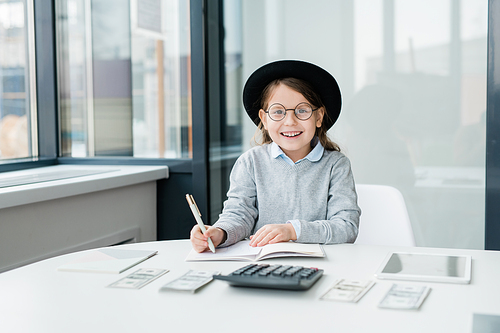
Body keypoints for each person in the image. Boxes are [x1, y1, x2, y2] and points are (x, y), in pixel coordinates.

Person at [190, 60, 360, 253]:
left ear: (319, 117)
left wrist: (292, 231)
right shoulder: (250, 162)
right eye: (278, 112)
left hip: (321, 263)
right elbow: (239, 215)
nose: (290, 121)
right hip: (262, 261)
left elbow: (347, 227)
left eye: (302, 111)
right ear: (264, 119)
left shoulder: (336, 165)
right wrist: (219, 233)